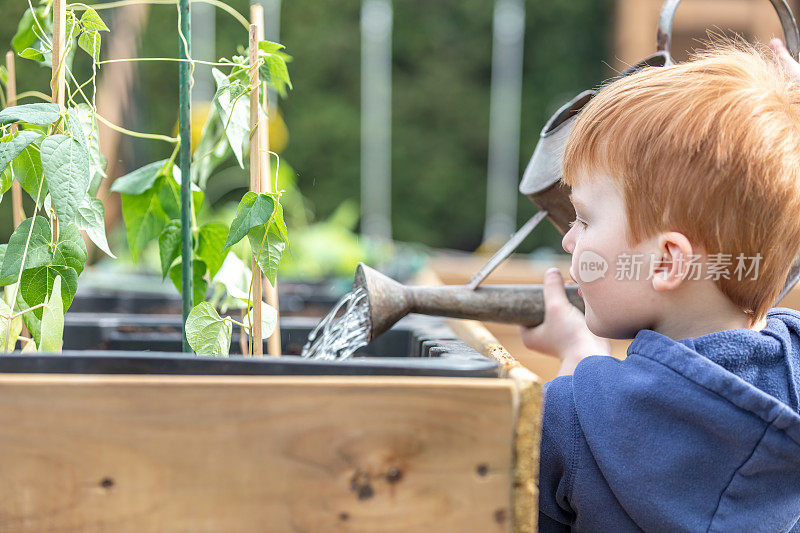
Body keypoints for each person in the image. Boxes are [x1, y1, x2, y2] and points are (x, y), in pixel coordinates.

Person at [520, 38, 800, 532]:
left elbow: (591, 426)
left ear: (669, 261)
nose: (568, 241)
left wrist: (575, 366)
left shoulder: (566, 421)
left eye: (584, 219)